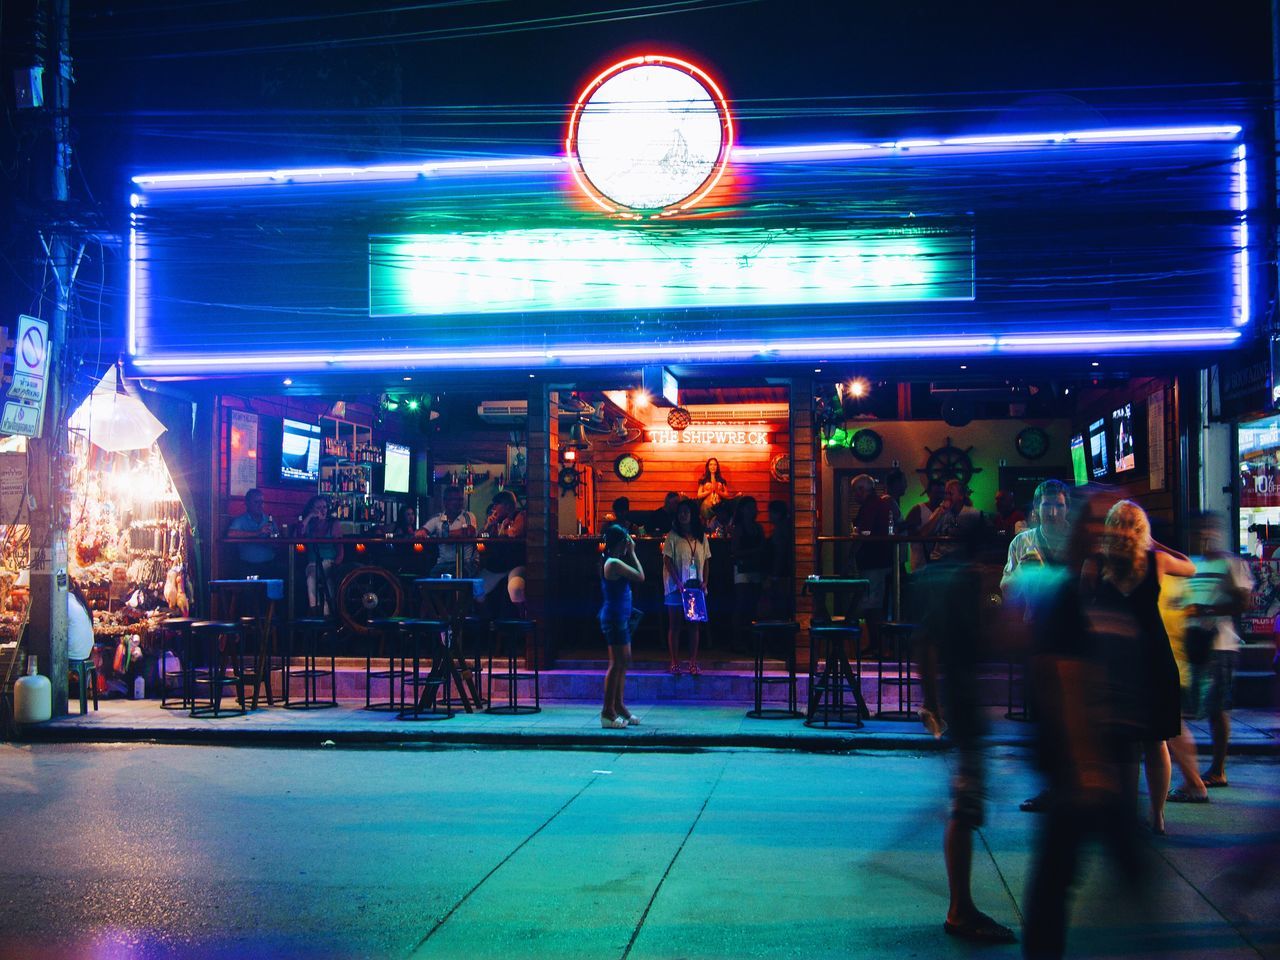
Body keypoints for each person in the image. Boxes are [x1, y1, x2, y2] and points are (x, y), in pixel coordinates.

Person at [915, 512, 1016, 945]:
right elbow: (990, 639)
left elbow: (926, 643)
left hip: (956, 696)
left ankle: (962, 906)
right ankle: (960, 909)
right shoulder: (974, 581)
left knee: (965, 799)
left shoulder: (943, 577)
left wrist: (932, 702)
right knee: (964, 802)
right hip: (965, 698)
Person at [1083, 500, 1196, 835]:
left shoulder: (1095, 563)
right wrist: (1154, 542)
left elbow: (1082, 610)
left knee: (1123, 743)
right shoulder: (1156, 560)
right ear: (1142, 530)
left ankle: (1126, 813)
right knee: (1156, 741)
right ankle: (1157, 815)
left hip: (1114, 660)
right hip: (1155, 659)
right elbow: (1190, 566)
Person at [1000, 479, 1072, 814]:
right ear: (1036, 509)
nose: (1053, 511)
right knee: (1045, 715)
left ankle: (1078, 788)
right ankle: (1052, 788)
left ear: (1066, 507)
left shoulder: (1078, 541)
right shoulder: (1023, 542)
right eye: (1047, 505)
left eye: (1058, 504)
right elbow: (1007, 589)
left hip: (1075, 636)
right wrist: (1023, 575)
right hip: (1037, 632)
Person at [1172, 513, 1252, 792]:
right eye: (1197, 529)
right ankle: (1193, 768)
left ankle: (1218, 770)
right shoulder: (1191, 564)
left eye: (1207, 529)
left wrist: (1206, 610)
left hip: (1220, 645)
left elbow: (1244, 601)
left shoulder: (1230, 562)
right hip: (1191, 643)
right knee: (1187, 706)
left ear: (1217, 532)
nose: (1202, 534)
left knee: (1217, 707)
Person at [599, 523, 645, 729]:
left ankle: (619, 705)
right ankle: (607, 712)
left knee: (623, 661)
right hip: (614, 617)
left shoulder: (615, 561)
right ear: (620, 542)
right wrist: (633, 553)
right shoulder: (613, 562)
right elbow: (640, 576)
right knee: (616, 663)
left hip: (621, 617)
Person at [662, 498, 710, 676]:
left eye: (686, 512)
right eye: (680, 512)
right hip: (676, 588)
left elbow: (706, 561)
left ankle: (692, 662)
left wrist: (705, 582)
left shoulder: (701, 537)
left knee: (693, 626)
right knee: (674, 625)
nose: (683, 515)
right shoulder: (672, 537)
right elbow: (667, 560)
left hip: (695, 588)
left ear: (692, 515)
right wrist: (678, 582)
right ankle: (674, 662)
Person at [848, 474, 893, 652]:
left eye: (855, 491)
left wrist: (850, 557)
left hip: (873, 561)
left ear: (862, 489)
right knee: (872, 603)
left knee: (871, 604)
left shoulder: (871, 506)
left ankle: (878, 645)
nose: (854, 496)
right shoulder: (880, 504)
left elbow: (863, 534)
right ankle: (877, 644)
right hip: (879, 560)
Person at [729, 496, 768, 651]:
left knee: (753, 605)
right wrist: (755, 551)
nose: (753, 510)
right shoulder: (740, 528)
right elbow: (734, 551)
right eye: (750, 507)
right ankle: (737, 640)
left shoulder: (757, 528)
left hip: (755, 568)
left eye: (754, 507)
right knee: (742, 603)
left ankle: (752, 640)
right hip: (743, 569)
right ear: (743, 510)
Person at [480, 490, 527, 616]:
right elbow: (481, 536)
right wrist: (488, 526)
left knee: (515, 588)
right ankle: (490, 623)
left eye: (496, 504)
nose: (494, 508)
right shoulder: (496, 521)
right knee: (476, 589)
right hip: (496, 567)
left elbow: (515, 533)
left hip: (515, 564)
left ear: (507, 506)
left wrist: (501, 531)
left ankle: (524, 622)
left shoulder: (520, 515)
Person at [299, 496, 343, 615]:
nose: (323, 510)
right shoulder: (310, 525)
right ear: (312, 510)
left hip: (329, 562)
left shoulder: (333, 523)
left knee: (329, 584)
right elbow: (299, 533)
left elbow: (340, 548)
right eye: (318, 508)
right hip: (313, 563)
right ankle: (314, 610)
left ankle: (327, 617)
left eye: (324, 507)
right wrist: (309, 517)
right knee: (311, 578)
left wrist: (337, 565)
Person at [422, 487, 478, 578]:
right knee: (429, 582)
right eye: (454, 500)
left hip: (465, 563)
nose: (459, 503)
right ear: (445, 502)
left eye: (460, 500)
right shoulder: (438, 518)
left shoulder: (468, 516)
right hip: (442, 563)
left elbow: (469, 532)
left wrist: (441, 535)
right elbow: (421, 532)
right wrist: (422, 533)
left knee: (459, 577)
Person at [226, 488, 281, 579]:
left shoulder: (269, 520)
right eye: (256, 502)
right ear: (247, 504)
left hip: (269, 565)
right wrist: (258, 532)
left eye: (261, 502)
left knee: (271, 592)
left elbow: (277, 541)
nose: (260, 505)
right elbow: (231, 534)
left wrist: (273, 540)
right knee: (250, 592)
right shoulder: (241, 520)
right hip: (248, 566)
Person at [904, 477, 947, 571]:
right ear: (929, 493)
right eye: (936, 493)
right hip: (921, 561)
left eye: (942, 493)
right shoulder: (918, 510)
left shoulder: (946, 511)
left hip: (940, 562)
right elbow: (909, 534)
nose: (939, 496)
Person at [764, 499, 794, 621]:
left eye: (770, 513)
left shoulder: (780, 530)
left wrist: (775, 575)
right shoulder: (786, 527)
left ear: (777, 513)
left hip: (782, 573)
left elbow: (779, 552)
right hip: (786, 571)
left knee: (779, 604)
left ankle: (779, 633)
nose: (769, 516)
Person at [697, 457, 730, 522]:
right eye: (711, 464)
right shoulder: (703, 480)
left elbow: (726, 495)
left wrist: (718, 491)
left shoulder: (721, 480)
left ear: (717, 467)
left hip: (719, 506)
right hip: (706, 507)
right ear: (708, 467)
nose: (713, 466)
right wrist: (709, 491)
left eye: (715, 464)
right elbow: (699, 495)